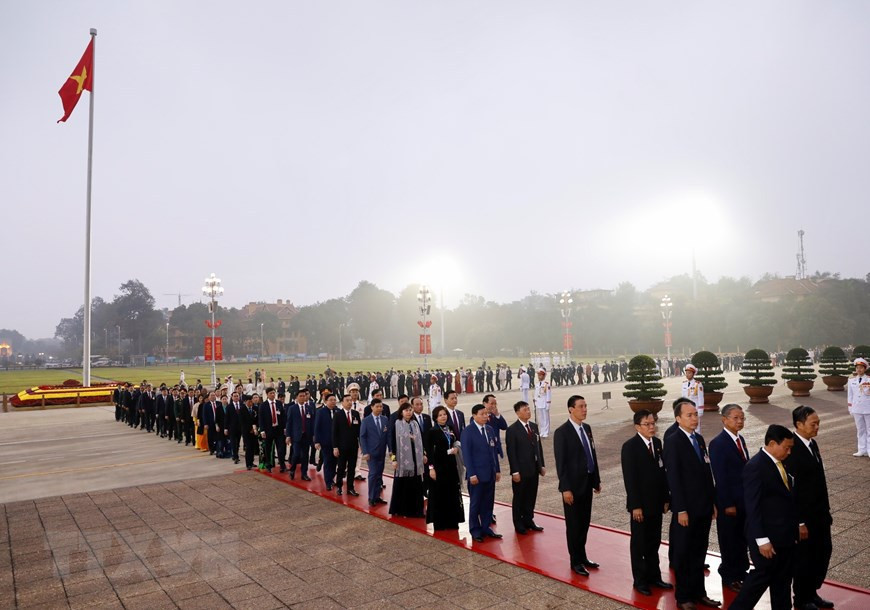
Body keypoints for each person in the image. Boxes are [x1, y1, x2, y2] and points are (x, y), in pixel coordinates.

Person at [730, 425, 798, 610]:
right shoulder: (755, 467)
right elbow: (752, 507)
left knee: (783, 583)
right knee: (759, 580)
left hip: (784, 536)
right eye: (786, 448)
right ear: (772, 444)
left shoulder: (781, 462)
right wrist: (762, 540)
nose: (789, 452)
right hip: (767, 538)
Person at [663, 398, 719, 609]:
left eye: (695, 414)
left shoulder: (699, 439)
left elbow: (707, 473)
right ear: (678, 418)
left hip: (703, 507)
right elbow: (674, 478)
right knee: (684, 553)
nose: (694, 418)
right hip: (686, 508)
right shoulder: (674, 440)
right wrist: (681, 508)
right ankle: (684, 596)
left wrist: (713, 501)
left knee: (699, 551)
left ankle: (699, 592)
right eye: (689, 415)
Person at [785, 406, 834, 610]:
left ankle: (812, 592)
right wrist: (800, 521)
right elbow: (793, 491)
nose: (817, 427)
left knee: (822, 553)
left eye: (818, 423)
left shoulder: (812, 444)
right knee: (805, 558)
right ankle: (802, 598)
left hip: (820, 514)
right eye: (813, 424)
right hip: (804, 518)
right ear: (799, 425)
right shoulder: (792, 450)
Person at [620, 409, 672, 596]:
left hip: (656, 504)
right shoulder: (630, 447)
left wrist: (666, 498)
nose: (652, 427)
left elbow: (662, 472)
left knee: (654, 542)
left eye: (653, 423)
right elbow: (630, 479)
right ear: (637, 427)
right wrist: (635, 506)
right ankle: (640, 581)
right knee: (639, 544)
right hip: (640, 506)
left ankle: (654, 576)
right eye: (647, 424)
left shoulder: (657, 443)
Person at [553, 395, 601, 576]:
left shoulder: (587, 429)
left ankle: (583, 556)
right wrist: (565, 488)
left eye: (586, 406)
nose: (584, 409)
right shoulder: (562, 432)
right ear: (570, 409)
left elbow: (592, 455)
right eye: (581, 406)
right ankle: (575, 561)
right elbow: (561, 464)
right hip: (572, 487)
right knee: (574, 525)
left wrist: (596, 480)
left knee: (584, 523)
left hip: (587, 483)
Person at [709, 404, 751, 594]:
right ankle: (729, 576)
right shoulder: (718, 443)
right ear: (724, 419)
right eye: (735, 418)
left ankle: (742, 571)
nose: (739, 421)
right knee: (729, 540)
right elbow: (721, 476)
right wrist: (727, 504)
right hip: (729, 502)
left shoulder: (740, 439)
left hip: (743, 500)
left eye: (742, 418)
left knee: (742, 538)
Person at [461, 404, 502, 542]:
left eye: (487, 414)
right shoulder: (468, 431)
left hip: (490, 474)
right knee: (475, 504)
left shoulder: (489, 429)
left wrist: (497, 470)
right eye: (482, 414)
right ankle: (475, 530)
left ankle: (486, 527)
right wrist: (472, 474)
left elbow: (493, 452)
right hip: (476, 475)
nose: (486, 416)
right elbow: (467, 455)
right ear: (474, 416)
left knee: (488, 503)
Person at [505, 400, 546, 535]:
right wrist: (515, 471)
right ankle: (519, 523)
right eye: (525, 410)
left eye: (528, 409)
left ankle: (529, 520)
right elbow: (512, 452)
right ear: (518, 413)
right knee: (519, 497)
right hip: (521, 471)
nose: (528, 412)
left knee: (531, 496)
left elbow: (539, 447)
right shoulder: (512, 430)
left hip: (533, 469)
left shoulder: (533, 426)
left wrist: (542, 465)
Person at [425, 406, 465, 530]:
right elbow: (429, 452)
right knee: (439, 494)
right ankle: (440, 522)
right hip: (439, 466)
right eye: (440, 415)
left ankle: (453, 520)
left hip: (451, 466)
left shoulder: (450, 429)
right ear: (436, 418)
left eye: (445, 414)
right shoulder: (432, 431)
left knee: (452, 492)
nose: (443, 417)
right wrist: (431, 468)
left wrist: (456, 449)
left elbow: (456, 441)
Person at [390, 402, 426, 517]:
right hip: (402, 461)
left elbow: (421, 441)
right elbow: (392, 444)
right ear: (401, 412)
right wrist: (393, 459)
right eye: (406, 410)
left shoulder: (415, 424)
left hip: (416, 460)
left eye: (410, 410)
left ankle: (417, 511)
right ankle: (403, 510)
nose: (409, 412)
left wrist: (424, 454)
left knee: (417, 485)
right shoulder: (397, 424)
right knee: (403, 485)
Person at [360, 398, 392, 506]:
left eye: (381, 407)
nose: (379, 409)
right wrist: (365, 452)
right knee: (373, 474)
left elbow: (388, 436)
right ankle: (371, 497)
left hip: (382, 452)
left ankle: (377, 496)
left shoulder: (385, 419)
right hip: (371, 453)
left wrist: (390, 450)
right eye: (377, 406)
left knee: (379, 474)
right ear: (372, 407)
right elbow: (363, 437)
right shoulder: (366, 420)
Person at [332, 394, 361, 496]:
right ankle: (339, 486)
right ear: (342, 402)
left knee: (352, 468)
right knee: (341, 467)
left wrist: (361, 444)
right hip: (342, 447)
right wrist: (335, 447)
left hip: (353, 447)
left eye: (350, 400)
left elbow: (359, 431)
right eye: (347, 400)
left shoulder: (356, 414)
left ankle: (350, 487)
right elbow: (334, 432)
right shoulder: (338, 415)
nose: (349, 402)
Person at [286, 388, 314, 481]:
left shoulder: (309, 408)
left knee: (305, 456)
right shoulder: (292, 408)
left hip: (307, 436)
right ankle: (292, 469)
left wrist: (313, 435)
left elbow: (312, 422)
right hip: (296, 436)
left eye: (304, 396)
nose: (302, 397)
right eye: (300, 396)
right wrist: (288, 436)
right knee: (296, 454)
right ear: (297, 398)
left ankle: (304, 473)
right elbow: (289, 423)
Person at [314, 393, 339, 490]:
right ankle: (328, 482)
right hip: (326, 442)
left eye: (334, 400)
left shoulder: (338, 411)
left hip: (336, 442)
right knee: (328, 462)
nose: (333, 402)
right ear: (326, 401)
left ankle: (332, 478)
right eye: (331, 400)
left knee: (334, 462)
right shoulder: (321, 412)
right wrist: (317, 441)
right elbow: (317, 427)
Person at [846, 357, 870, 457]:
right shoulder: (851, 380)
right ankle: (861, 449)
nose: (859, 369)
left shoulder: (869, 379)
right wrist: (850, 408)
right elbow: (850, 395)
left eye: (861, 367)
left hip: (867, 407)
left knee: (869, 429)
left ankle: (869, 450)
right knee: (860, 430)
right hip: (857, 408)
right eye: (857, 368)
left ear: (865, 369)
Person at [257, 388, 284, 473]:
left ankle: (282, 465)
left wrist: (284, 427)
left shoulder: (279, 403)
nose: (273, 394)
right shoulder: (263, 405)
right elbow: (261, 419)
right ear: (267, 394)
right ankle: (268, 464)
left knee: (280, 448)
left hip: (278, 430)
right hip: (268, 430)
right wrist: (262, 430)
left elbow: (283, 416)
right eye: (271, 393)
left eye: (274, 393)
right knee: (268, 449)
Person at [681, 364, 705, 434]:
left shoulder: (697, 384)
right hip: (686, 409)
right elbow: (683, 397)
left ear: (693, 374)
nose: (687, 374)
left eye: (689, 373)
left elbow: (701, 398)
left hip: (695, 408)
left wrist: (700, 410)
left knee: (696, 428)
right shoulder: (684, 384)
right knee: (687, 426)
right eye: (686, 373)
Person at [240, 394, 259, 470]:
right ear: (245, 402)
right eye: (249, 402)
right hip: (247, 432)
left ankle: (252, 461)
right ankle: (248, 464)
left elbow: (258, 419)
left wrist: (255, 427)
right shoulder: (242, 409)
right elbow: (242, 422)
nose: (250, 403)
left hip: (254, 431)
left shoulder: (255, 408)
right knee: (248, 447)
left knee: (253, 447)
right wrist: (249, 429)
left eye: (251, 401)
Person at [533, 368, 552, 437]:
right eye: (538, 375)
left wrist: (548, 404)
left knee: (545, 418)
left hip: (544, 403)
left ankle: (546, 431)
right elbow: (536, 394)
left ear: (543, 376)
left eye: (540, 375)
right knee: (540, 418)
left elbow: (548, 395)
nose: (539, 376)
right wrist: (535, 401)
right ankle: (541, 431)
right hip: (539, 403)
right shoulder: (537, 384)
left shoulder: (546, 384)